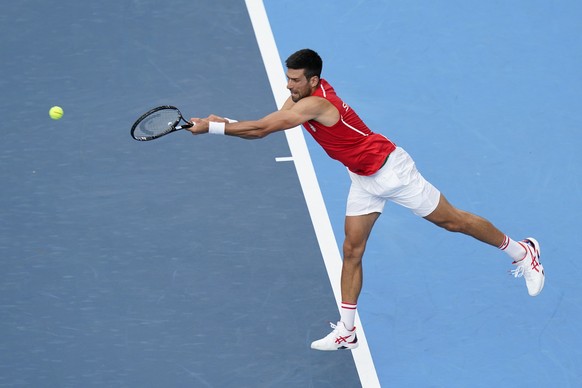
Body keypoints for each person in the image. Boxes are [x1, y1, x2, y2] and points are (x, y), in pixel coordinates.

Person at [186, 48, 545, 351]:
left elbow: (264, 128)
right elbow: (264, 129)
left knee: (453, 221)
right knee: (352, 251)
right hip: (363, 179)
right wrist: (226, 123)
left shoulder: (317, 104)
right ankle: (347, 330)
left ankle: (522, 251)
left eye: (294, 79)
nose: (288, 84)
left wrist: (215, 129)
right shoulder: (298, 99)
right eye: (288, 77)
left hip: (393, 172)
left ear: (313, 81)